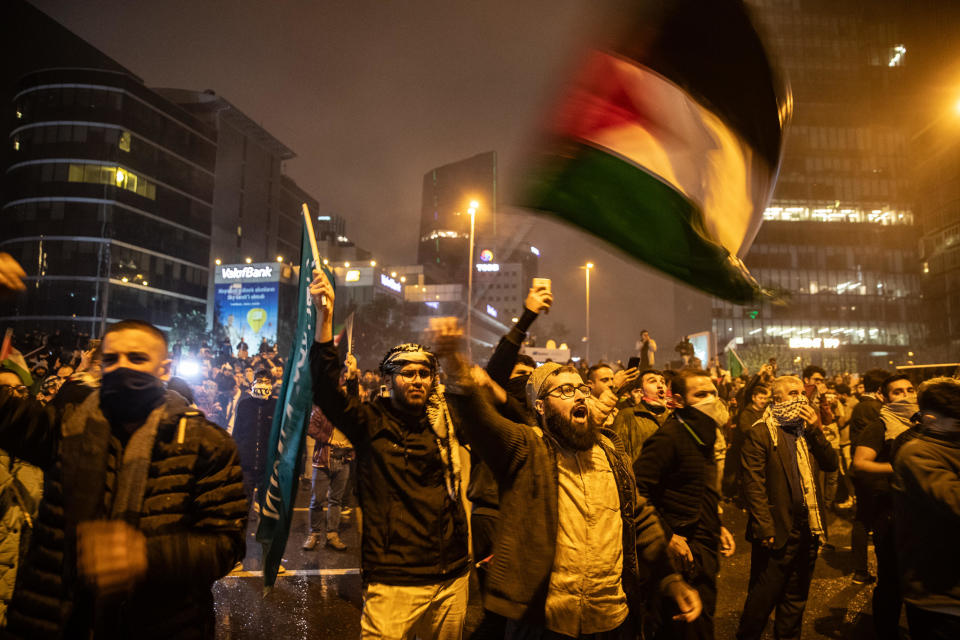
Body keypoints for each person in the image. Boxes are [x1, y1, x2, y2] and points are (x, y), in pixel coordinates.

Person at [432, 317, 701, 640]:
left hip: (611, 620)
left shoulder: (610, 451)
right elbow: (481, 422)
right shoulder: (529, 449)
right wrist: (455, 363)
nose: (579, 397)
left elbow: (639, 517)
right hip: (547, 624)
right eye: (566, 390)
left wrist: (669, 578)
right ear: (540, 407)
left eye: (583, 389)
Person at [0, 315, 247, 639]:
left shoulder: (207, 444)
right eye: (112, 359)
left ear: (165, 369)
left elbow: (226, 543)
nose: (123, 367)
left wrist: (145, 555)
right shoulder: (68, 427)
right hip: (56, 620)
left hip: (163, 623)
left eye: (138, 358)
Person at [308, 270, 470, 639]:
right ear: (388, 379)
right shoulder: (369, 422)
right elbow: (324, 388)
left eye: (425, 373)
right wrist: (325, 316)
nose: (417, 380)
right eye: (407, 373)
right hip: (394, 581)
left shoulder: (444, 423)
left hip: (452, 578)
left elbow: (486, 401)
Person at [634, 369, 736, 640]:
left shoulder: (705, 435)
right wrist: (667, 536)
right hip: (681, 555)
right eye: (701, 395)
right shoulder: (670, 438)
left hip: (703, 547)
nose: (711, 400)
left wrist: (716, 524)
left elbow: (698, 488)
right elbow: (637, 490)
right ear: (678, 401)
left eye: (713, 393)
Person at [736, 376, 839, 640]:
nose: (801, 399)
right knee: (762, 601)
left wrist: (816, 429)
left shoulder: (806, 430)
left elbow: (830, 463)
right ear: (777, 399)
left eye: (802, 393)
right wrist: (764, 527)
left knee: (795, 600)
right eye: (793, 393)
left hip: (808, 529)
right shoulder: (761, 432)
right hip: (777, 531)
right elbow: (753, 485)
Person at [891, 377, 960, 639]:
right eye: (956, 422)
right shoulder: (918, 453)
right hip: (939, 594)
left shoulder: (950, 443)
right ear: (931, 418)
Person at [852, 373, 917, 640]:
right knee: (891, 580)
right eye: (897, 392)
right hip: (890, 511)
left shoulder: (924, 423)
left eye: (909, 390)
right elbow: (860, 463)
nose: (906, 395)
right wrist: (900, 468)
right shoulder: (879, 426)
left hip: (920, 512)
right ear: (884, 396)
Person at [303, 355, 357, 552]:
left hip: (343, 459)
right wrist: (329, 439)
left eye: (342, 386)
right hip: (324, 459)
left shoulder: (348, 407)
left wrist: (353, 371)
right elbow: (310, 427)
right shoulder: (321, 408)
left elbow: (355, 396)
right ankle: (314, 534)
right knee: (317, 499)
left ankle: (332, 534)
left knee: (336, 500)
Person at [847, 367, 889, 586]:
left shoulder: (862, 405)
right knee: (866, 519)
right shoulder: (875, 408)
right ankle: (862, 570)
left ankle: (860, 570)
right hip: (871, 472)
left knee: (863, 518)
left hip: (863, 471)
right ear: (882, 388)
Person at [232, 370, 278, 507]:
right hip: (246, 464)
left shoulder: (276, 405)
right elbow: (237, 433)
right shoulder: (244, 405)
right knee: (243, 504)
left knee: (267, 505)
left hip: (267, 464)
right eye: (259, 380)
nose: (262, 384)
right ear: (253, 383)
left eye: (266, 381)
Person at [613, 369, 670, 463]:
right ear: (641, 391)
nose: (660, 385)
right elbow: (617, 454)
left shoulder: (672, 417)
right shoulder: (627, 415)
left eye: (662, 382)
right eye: (652, 381)